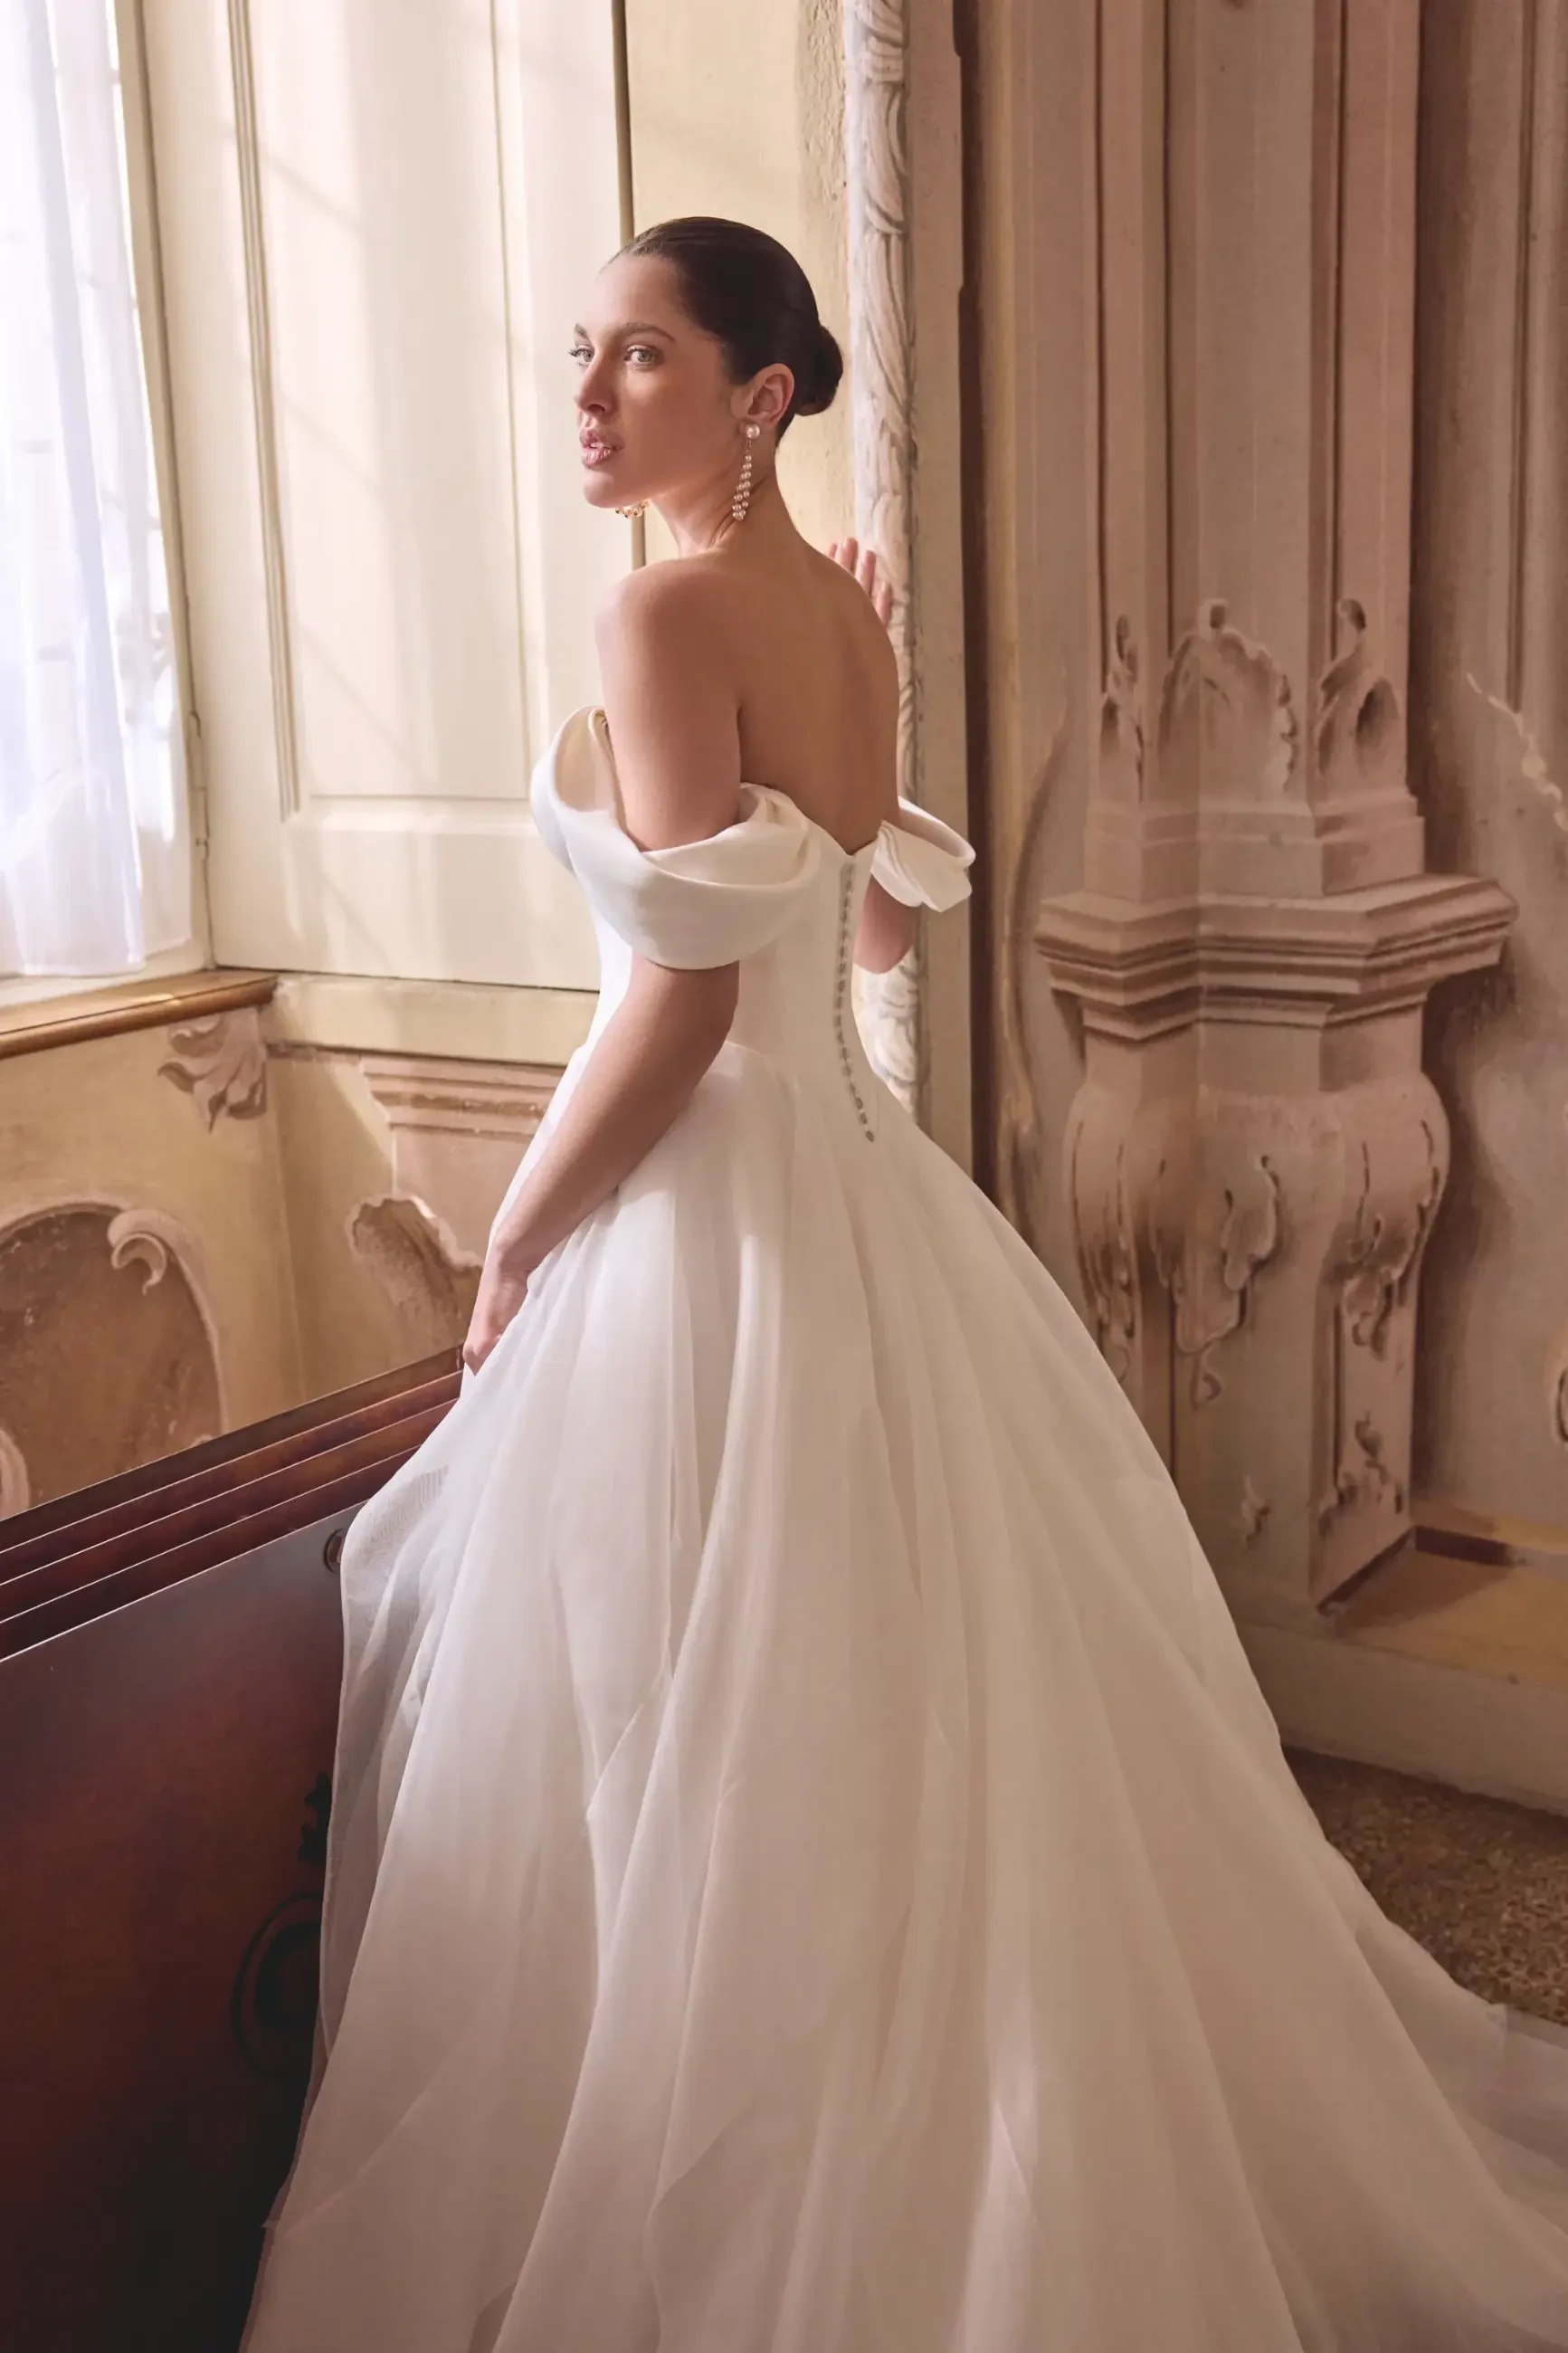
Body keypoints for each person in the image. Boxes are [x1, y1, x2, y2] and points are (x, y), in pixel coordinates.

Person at [241, 216, 1568, 2353]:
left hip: (721, 1209)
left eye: (642, 358)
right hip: (861, 1198)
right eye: (582, 352)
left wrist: (513, 1234)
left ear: (755, 395)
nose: (586, 397)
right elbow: (864, 942)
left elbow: (675, 1019)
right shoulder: (833, 613)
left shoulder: (663, 608)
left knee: (691, 1707)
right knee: (867, 1694)